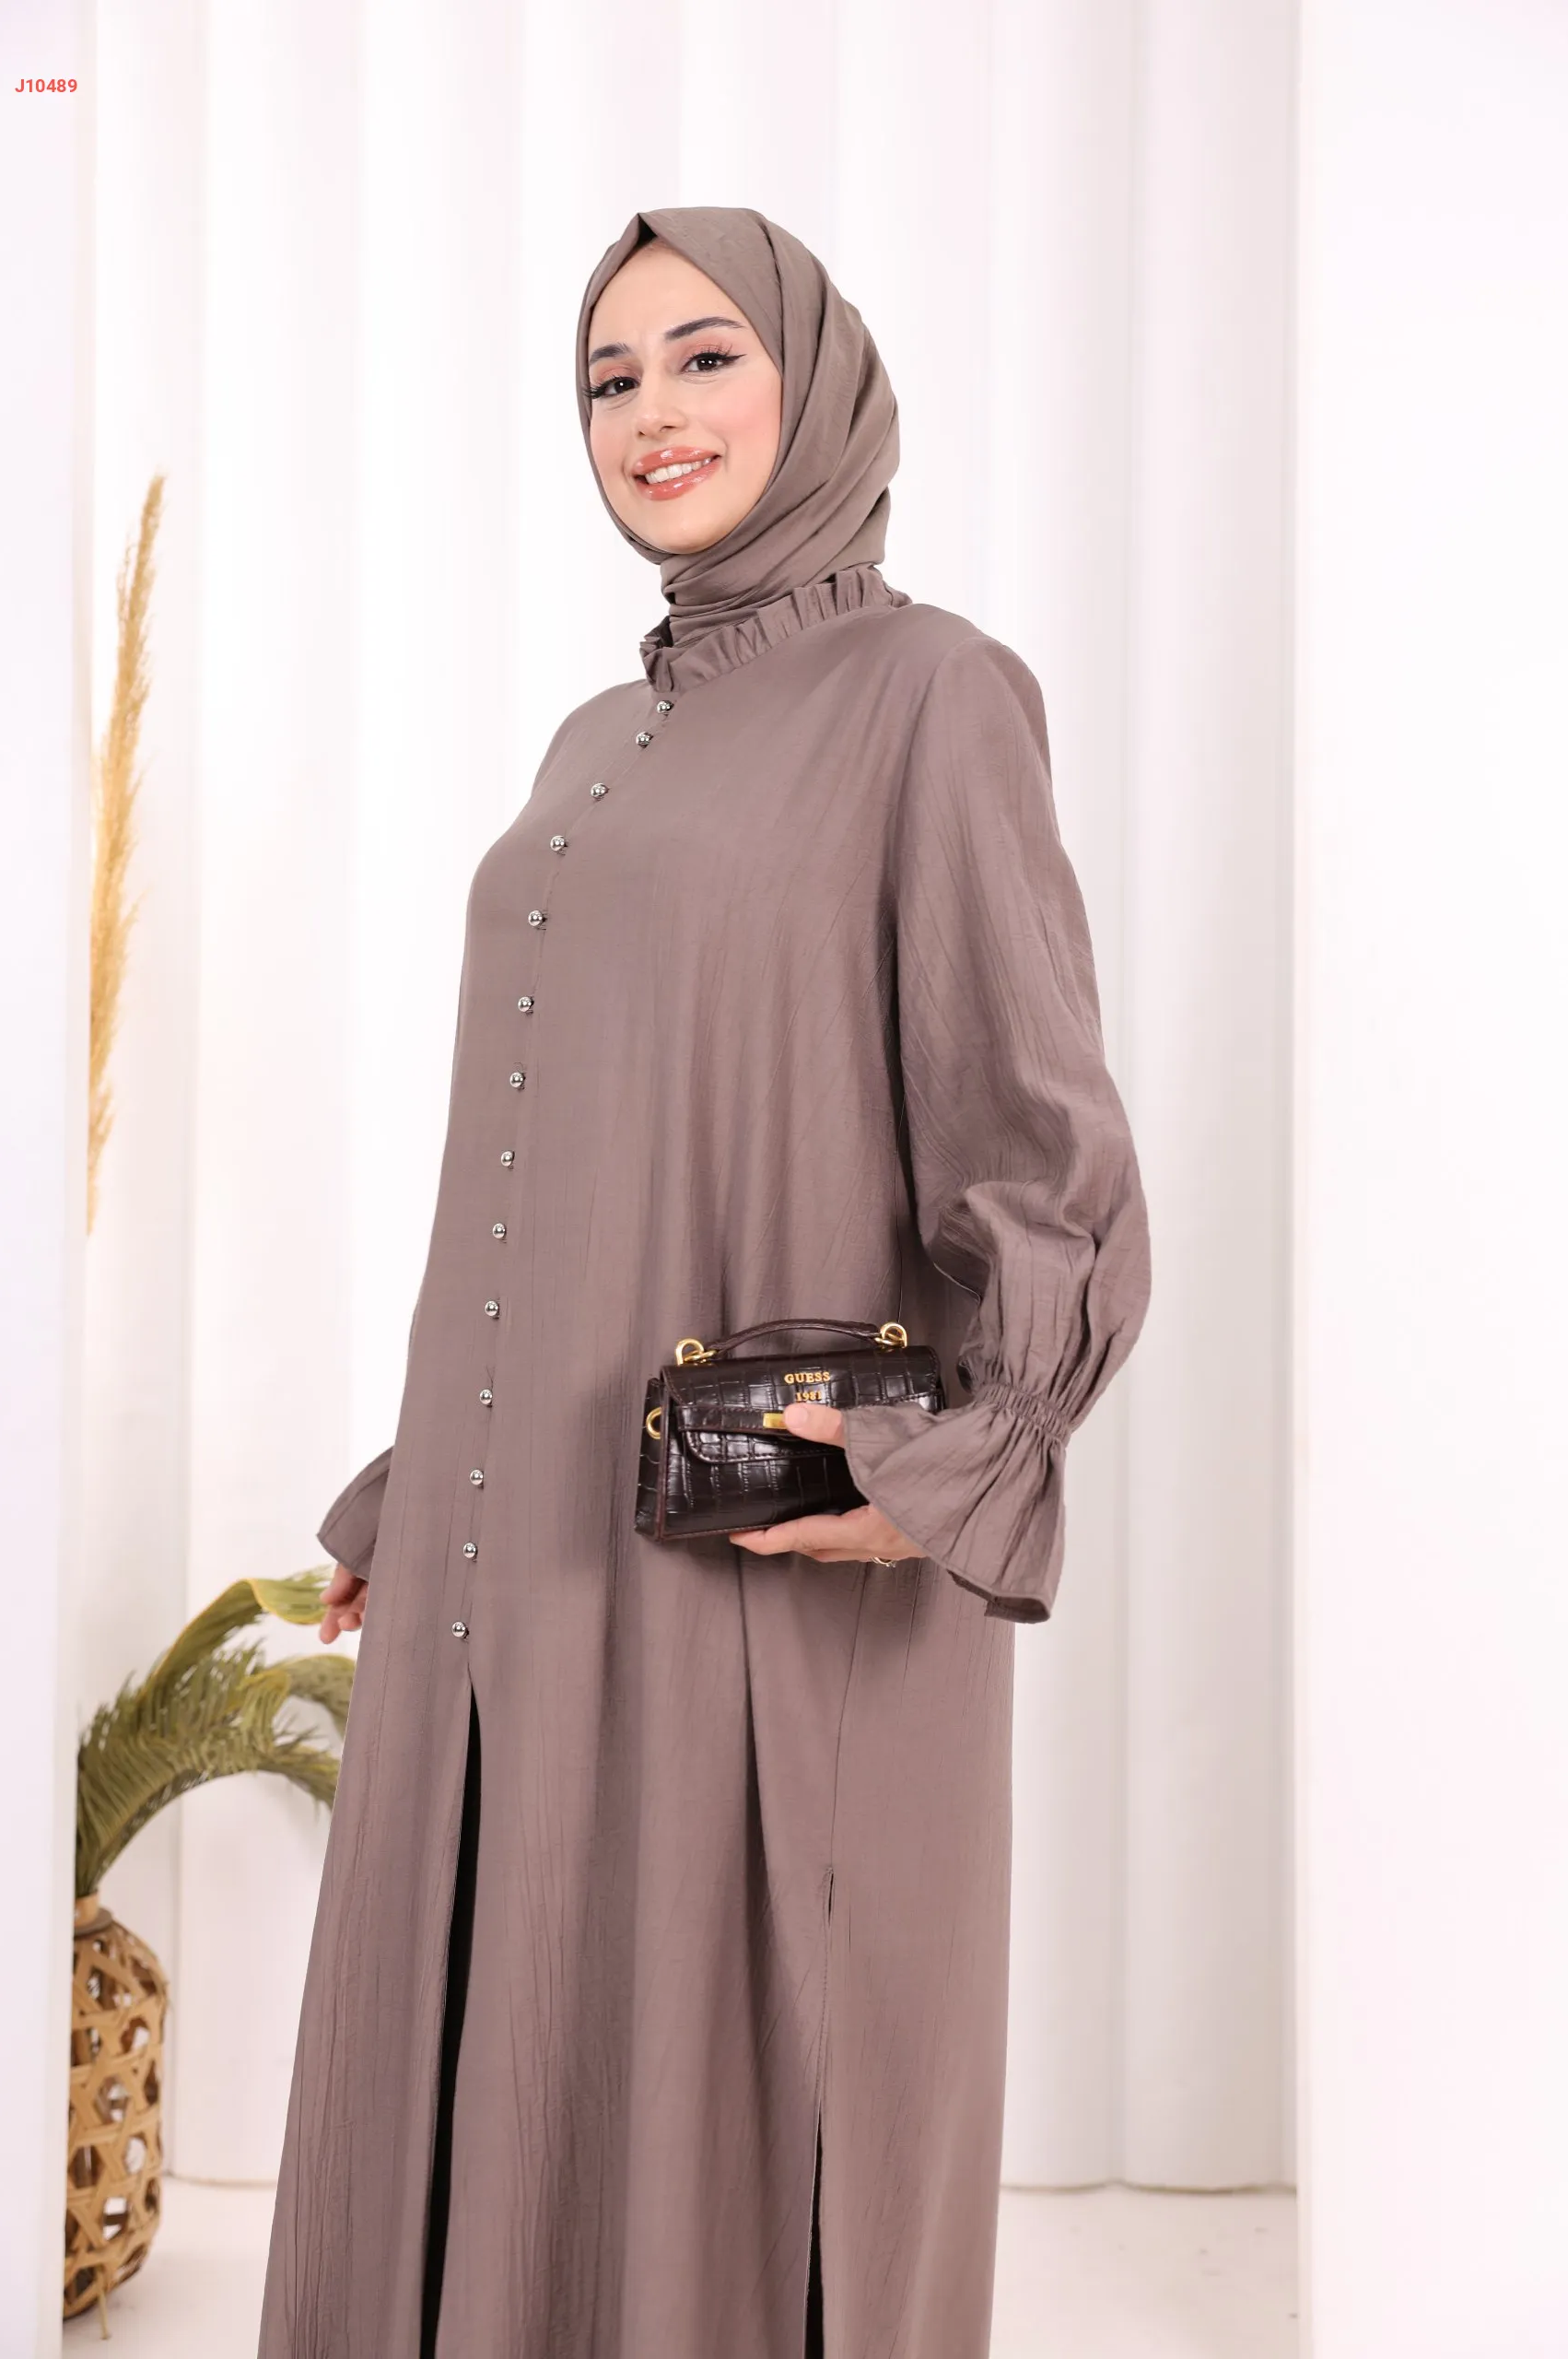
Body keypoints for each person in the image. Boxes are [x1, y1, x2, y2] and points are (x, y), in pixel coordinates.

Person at [259, 205, 1150, 2359]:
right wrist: (429, 1480)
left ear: (814, 383)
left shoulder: (934, 694)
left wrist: (963, 1458)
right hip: (526, 1551)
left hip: (772, 1539)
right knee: (502, 2042)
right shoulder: (594, 738)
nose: (651, 411)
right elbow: (553, 1156)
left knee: (752, 2100)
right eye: (610, 376)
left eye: (704, 356)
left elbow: (1042, 1137)